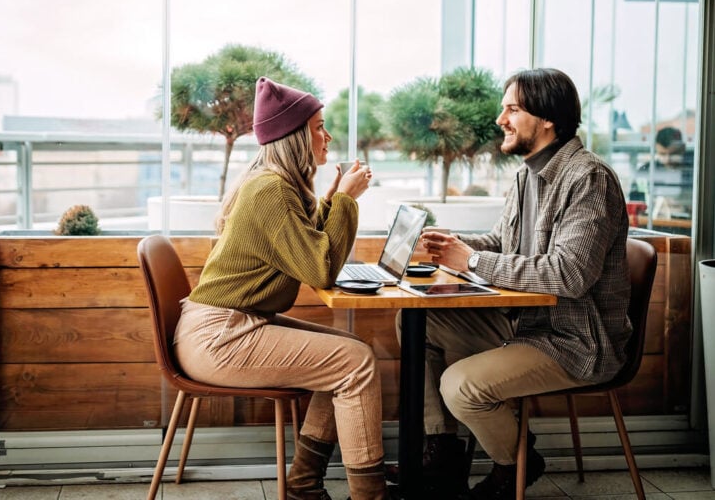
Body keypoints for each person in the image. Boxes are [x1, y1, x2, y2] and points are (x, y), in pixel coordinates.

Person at [406, 67, 632, 500]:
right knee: (419, 320)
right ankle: (444, 454)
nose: (500, 119)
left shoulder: (589, 179)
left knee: (461, 385)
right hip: (525, 323)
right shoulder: (525, 176)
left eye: (512, 108)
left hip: (576, 340)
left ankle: (515, 465)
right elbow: (503, 243)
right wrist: (449, 245)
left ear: (547, 119)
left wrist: (471, 260)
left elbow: (568, 273)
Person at [173, 76, 396, 500]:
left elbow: (305, 247)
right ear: (294, 136)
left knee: (349, 356)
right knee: (356, 363)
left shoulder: (272, 184)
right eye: (318, 127)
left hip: (224, 327)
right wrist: (347, 202)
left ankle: (303, 487)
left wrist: (331, 201)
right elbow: (320, 268)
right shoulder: (271, 190)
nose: (327, 136)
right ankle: (364, 495)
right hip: (221, 337)